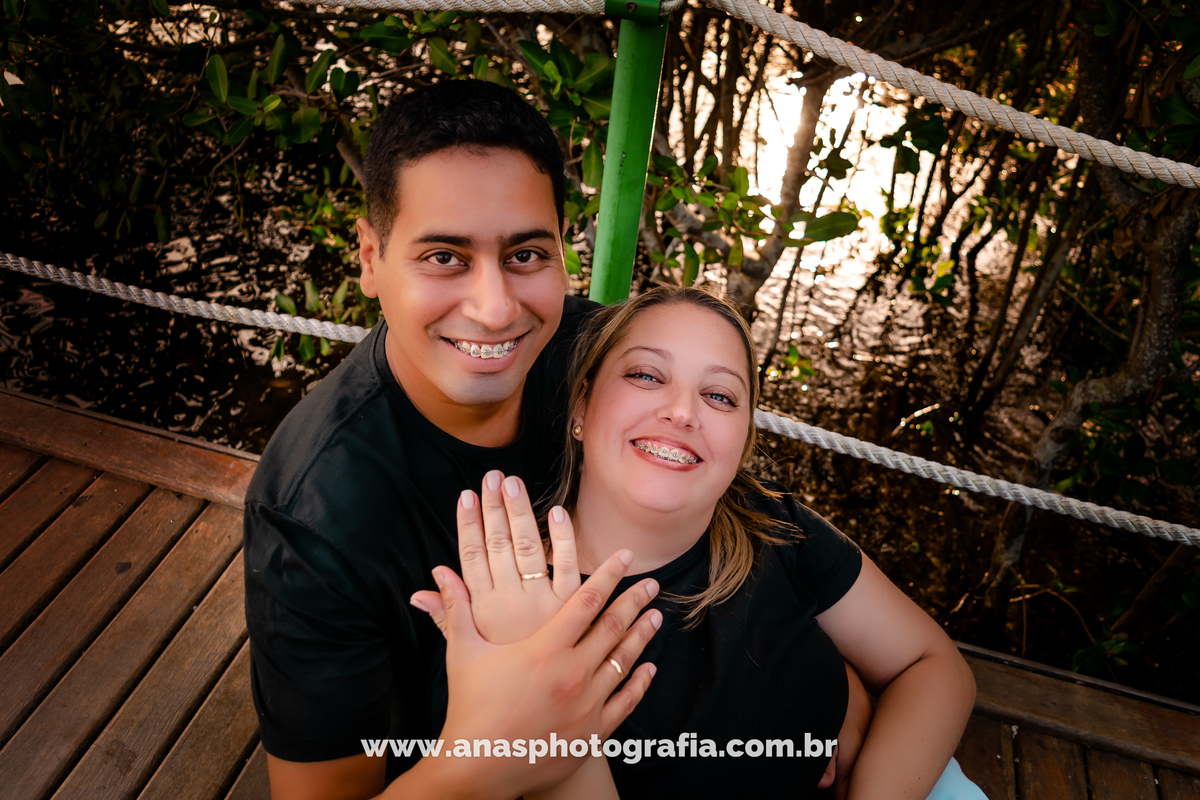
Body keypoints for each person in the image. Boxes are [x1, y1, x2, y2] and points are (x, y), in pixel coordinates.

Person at [242, 79, 662, 800]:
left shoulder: (592, 358)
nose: (496, 309)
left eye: (527, 255)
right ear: (370, 259)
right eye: (445, 257)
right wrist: (490, 758)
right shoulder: (314, 517)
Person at [414, 286, 985, 799]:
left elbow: (932, 664)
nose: (683, 412)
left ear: (742, 439)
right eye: (645, 375)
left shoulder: (773, 524)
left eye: (719, 396)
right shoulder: (508, 611)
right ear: (581, 406)